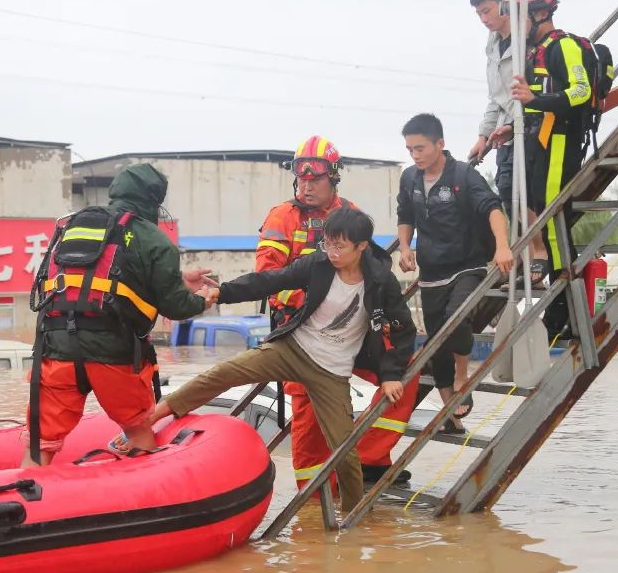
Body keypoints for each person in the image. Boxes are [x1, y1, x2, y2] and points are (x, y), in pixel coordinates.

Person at [151, 207, 415, 513]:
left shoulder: (381, 280)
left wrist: (391, 374)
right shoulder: (318, 263)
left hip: (332, 372)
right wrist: (222, 293)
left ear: (362, 246)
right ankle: (154, 416)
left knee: (345, 453)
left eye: (339, 246)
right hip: (293, 349)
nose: (331, 252)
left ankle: (353, 522)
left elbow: (404, 330)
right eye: (327, 243)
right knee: (223, 373)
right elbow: (270, 281)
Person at [21, 163, 215, 467]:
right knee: (138, 430)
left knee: (41, 444)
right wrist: (203, 301)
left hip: (56, 349)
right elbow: (175, 307)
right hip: (114, 355)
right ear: (155, 199)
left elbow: (101, 279)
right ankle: (148, 499)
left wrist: (179, 280)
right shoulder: (154, 239)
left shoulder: (75, 226)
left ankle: (30, 504)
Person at [256, 135, 419, 486]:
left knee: (408, 366)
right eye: (302, 178)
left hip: (353, 329)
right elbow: (268, 278)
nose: (307, 185)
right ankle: (311, 504)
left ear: (333, 178)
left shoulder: (351, 214)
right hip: (304, 335)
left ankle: (368, 458)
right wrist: (309, 302)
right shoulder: (283, 217)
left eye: (316, 179)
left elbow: (374, 267)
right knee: (309, 420)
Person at [397, 114, 514, 433]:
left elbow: (493, 208)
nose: (415, 155)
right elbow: (405, 215)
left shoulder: (462, 175)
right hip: (431, 271)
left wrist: (502, 247)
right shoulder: (409, 178)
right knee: (436, 344)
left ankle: (464, 375)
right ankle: (451, 408)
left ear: (440, 144)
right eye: (410, 150)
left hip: (468, 265)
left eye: (420, 148)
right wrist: (405, 247)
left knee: (456, 319)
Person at [505, 0, 593, 339]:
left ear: (539, 13)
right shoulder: (532, 50)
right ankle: (559, 313)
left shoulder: (565, 46)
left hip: (562, 140)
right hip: (540, 140)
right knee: (541, 221)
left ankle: (568, 314)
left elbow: (582, 90)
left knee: (553, 224)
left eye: (520, 15)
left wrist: (535, 101)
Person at [468, 0, 516, 220]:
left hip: (530, 130)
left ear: (505, 4)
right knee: (506, 191)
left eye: (487, 11)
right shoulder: (493, 46)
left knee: (526, 195)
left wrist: (515, 126)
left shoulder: (527, 41)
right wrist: (483, 136)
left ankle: (540, 255)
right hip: (503, 137)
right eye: (479, 14)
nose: (484, 19)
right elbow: (496, 98)